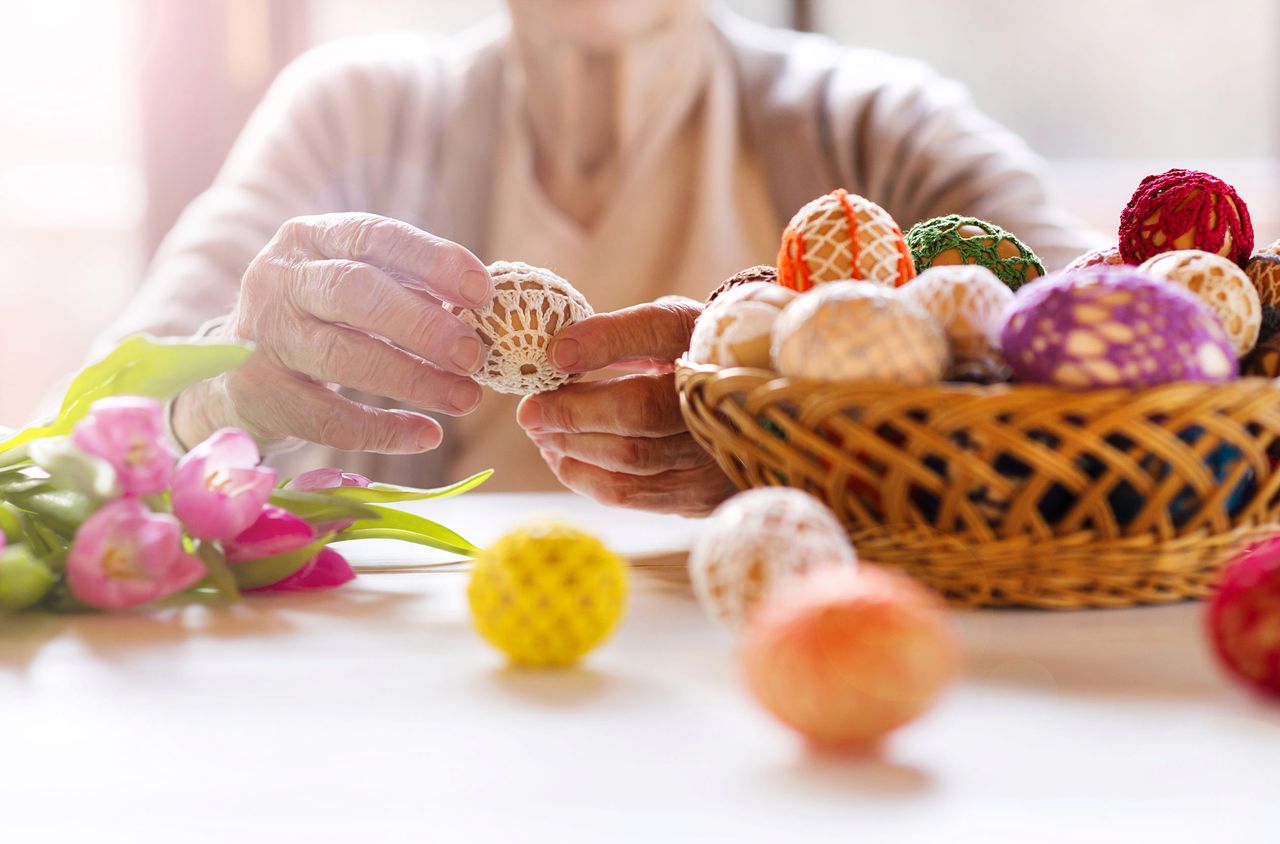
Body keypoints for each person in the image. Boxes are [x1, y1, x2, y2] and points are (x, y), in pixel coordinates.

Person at [98, 0, 1097, 515]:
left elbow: (1130, 389)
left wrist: (803, 455)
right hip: (414, 709)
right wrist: (224, 387)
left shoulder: (877, 130)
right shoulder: (353, 114)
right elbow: (78, 444)